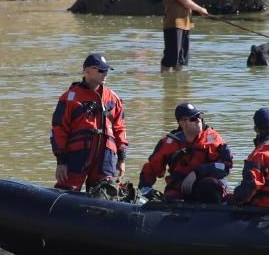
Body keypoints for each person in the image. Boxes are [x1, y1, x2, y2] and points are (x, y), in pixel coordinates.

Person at [51, 52, 128, 192]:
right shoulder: (69, 99)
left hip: (105, 158)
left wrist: (121, 160)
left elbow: (120, 129)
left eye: (106, 70)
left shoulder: (113, 99)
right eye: (101, 70)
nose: (105, 74)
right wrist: (61, 161)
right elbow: (58, 130)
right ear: (86, 71)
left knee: (105, 194)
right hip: (77, 156)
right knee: (66, 192)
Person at [139, 102, 232, 202]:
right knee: (170, 199)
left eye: (199, 116)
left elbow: (226, 166)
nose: (198, 120)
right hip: (180, 186)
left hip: (206, 185)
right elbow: (152, 167)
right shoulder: (168, 143)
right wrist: (145, 188)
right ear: (182, 122)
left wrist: (198, 172)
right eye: (193, 118)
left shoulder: (214, 139)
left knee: (210, 186)